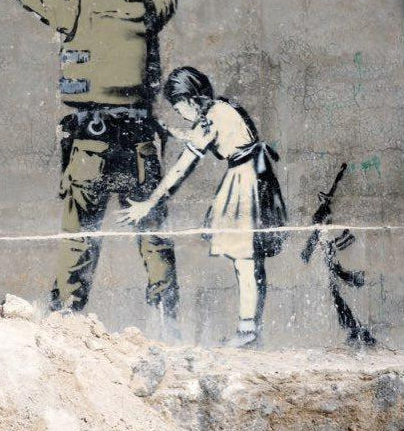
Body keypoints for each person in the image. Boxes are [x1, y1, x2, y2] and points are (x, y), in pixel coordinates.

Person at [0, 0, 180, 323]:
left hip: (92, 143)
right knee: (153, 234)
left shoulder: (74, 1)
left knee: (80, 237)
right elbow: (167, 2)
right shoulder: (144, 7)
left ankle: (66, 320)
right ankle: (169, 319)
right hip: (140, 144)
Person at [119, 66, 287, 347]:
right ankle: (249, 328)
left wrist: (149, 203)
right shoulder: (222, 108)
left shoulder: (210, 120)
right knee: (250, 261)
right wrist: (171, 131)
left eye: (178, 108)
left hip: (244, 181)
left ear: (189, 99)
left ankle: (247, 331)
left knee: (245, 261)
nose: (180, 114)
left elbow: (181, 167)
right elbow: (200, 135)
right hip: (256, 175)